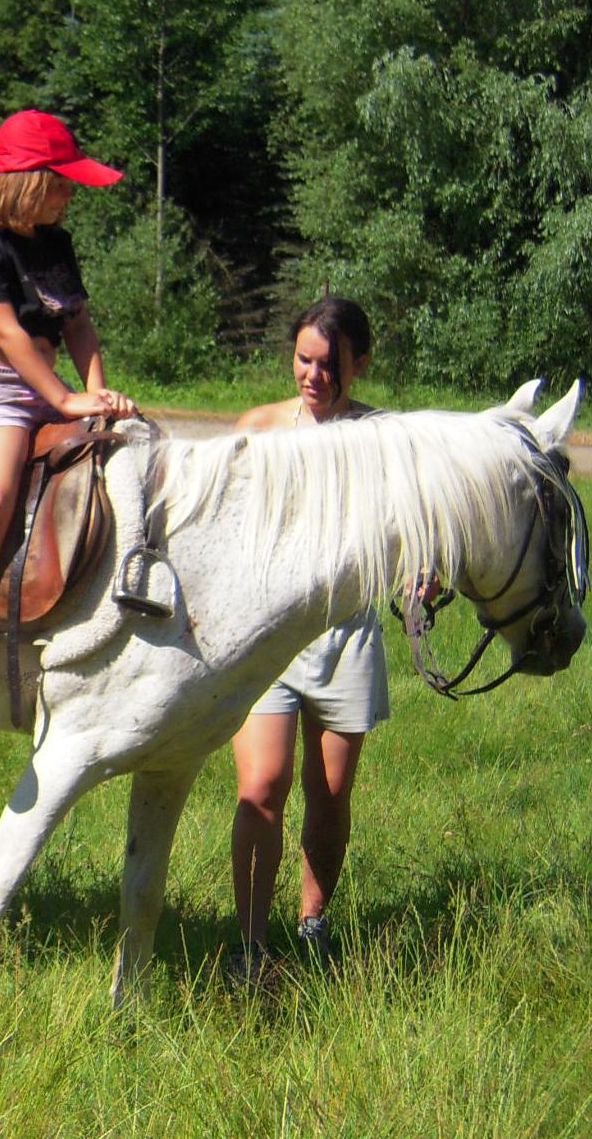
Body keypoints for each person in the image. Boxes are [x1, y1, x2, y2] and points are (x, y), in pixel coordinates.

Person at [0, 109, 138, 735]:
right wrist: (66, 398)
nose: (70, 194)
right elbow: (5, 330)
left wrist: (97, 394)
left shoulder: (56, 241)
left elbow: (77, 323)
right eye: (62, 182)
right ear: (30, 181)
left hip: (49, 386)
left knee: (131, 462)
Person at [226, 295, 388, 980]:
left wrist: (421, 575)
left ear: (360, 363)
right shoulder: (258, 429)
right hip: (268, 635)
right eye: (303, 359)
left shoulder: (381, 438)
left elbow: (407, 531)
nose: (313, 375)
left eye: (329, 364)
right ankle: (250, 945)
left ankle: (312, 923)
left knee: (330, 794)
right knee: (263, 784)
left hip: (346, 636)